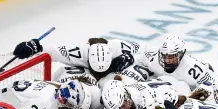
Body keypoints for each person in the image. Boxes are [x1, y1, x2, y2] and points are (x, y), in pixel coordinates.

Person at [14, 37, 144, 79]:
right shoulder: (80, 52)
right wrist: (35, 47)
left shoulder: (118, 47)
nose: (100, 75)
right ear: (88, 60)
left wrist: (130, 58)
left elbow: (145, 51)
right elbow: (55, 51)